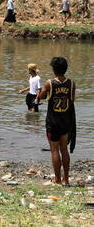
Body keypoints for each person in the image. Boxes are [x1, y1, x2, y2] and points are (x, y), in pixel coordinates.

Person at [37, 57, 76, 185]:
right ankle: (66, 179)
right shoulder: (71, 83)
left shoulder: (50, 83)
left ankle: (58, 180)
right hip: (65, 120)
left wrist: (39, 93)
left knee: (54, 150)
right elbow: (72, 101)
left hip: (53, 121)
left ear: (54, 69)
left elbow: (41, 97)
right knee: (64, 149)